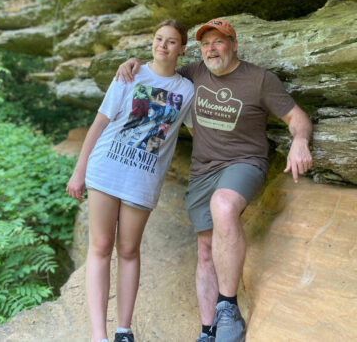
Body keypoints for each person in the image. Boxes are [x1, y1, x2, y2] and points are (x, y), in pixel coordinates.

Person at [116, 18, 313, 342]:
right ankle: (208, 331)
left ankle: (228, 306)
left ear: (234, 44)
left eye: (218, 42)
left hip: (244, 163)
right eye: (206, 44)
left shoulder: (259, 80)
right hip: (203, 170)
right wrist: (134, 63)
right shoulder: (194, 73)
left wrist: (300, 142)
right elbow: (160, 71)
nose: (211, 49)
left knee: (223, 206)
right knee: (205, 249)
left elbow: (297, 118)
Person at [66, 19, 194, 342]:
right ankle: (99, 335)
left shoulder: (187, 90)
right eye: (158, 38)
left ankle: (124, 330)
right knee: (100, 247)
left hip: (142, 180)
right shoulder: (130, 74)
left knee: (128, 250)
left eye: (171, 41)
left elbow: (206, 126)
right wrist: (79, 170)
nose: (162, 45)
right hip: (106, 169)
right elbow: (99, 124)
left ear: (182, 49)